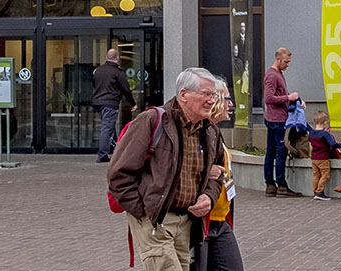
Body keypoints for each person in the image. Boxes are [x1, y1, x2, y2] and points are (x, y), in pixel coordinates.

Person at [106, 66, 224, 271]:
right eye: (206, 94)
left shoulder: (210, 131)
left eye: (213, 95)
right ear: (184, 95)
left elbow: (218, 172)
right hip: (155, 220)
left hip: (186, 222)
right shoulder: (152, 121)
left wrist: (209, 197)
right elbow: (118, 173)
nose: (212, 101)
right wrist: (143, 213)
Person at [200, 78, 245, 270]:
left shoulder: (215, 131)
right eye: (227, 98)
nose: (231, 104)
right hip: (202, 221)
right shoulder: (198, 130)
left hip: (221, 219)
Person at [260, 46, 301, 197]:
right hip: (277, 120)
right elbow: (269, 98)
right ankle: (281, 185)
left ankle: (270, 184)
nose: (287, 65)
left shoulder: (277, 74)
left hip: (272, 118)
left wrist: (293, 99)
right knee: (280, 152)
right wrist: (288, 98)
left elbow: (279, 94)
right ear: (278, 59)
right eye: (286, 61)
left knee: (270, 151)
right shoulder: (272, 76)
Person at [92, 46, 135, 161]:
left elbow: (94, 85)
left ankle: (116, 148)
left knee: (109, 125)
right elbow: (126, 89)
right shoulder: (118, 72)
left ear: (107, 57)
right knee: (107, 127)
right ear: (117, 58)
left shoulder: (98, 71)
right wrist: (133, 103)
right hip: (110, 103)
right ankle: (102, 155)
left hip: (98, 102)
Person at [305, 109, 341, 200]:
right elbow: (332, 144)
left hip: (314, 158)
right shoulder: (325, 134)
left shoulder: (312, 133)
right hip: (323, 157)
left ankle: (315, 190)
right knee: (325, 174)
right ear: (325, 122)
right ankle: (320, 192)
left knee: (316, 175)